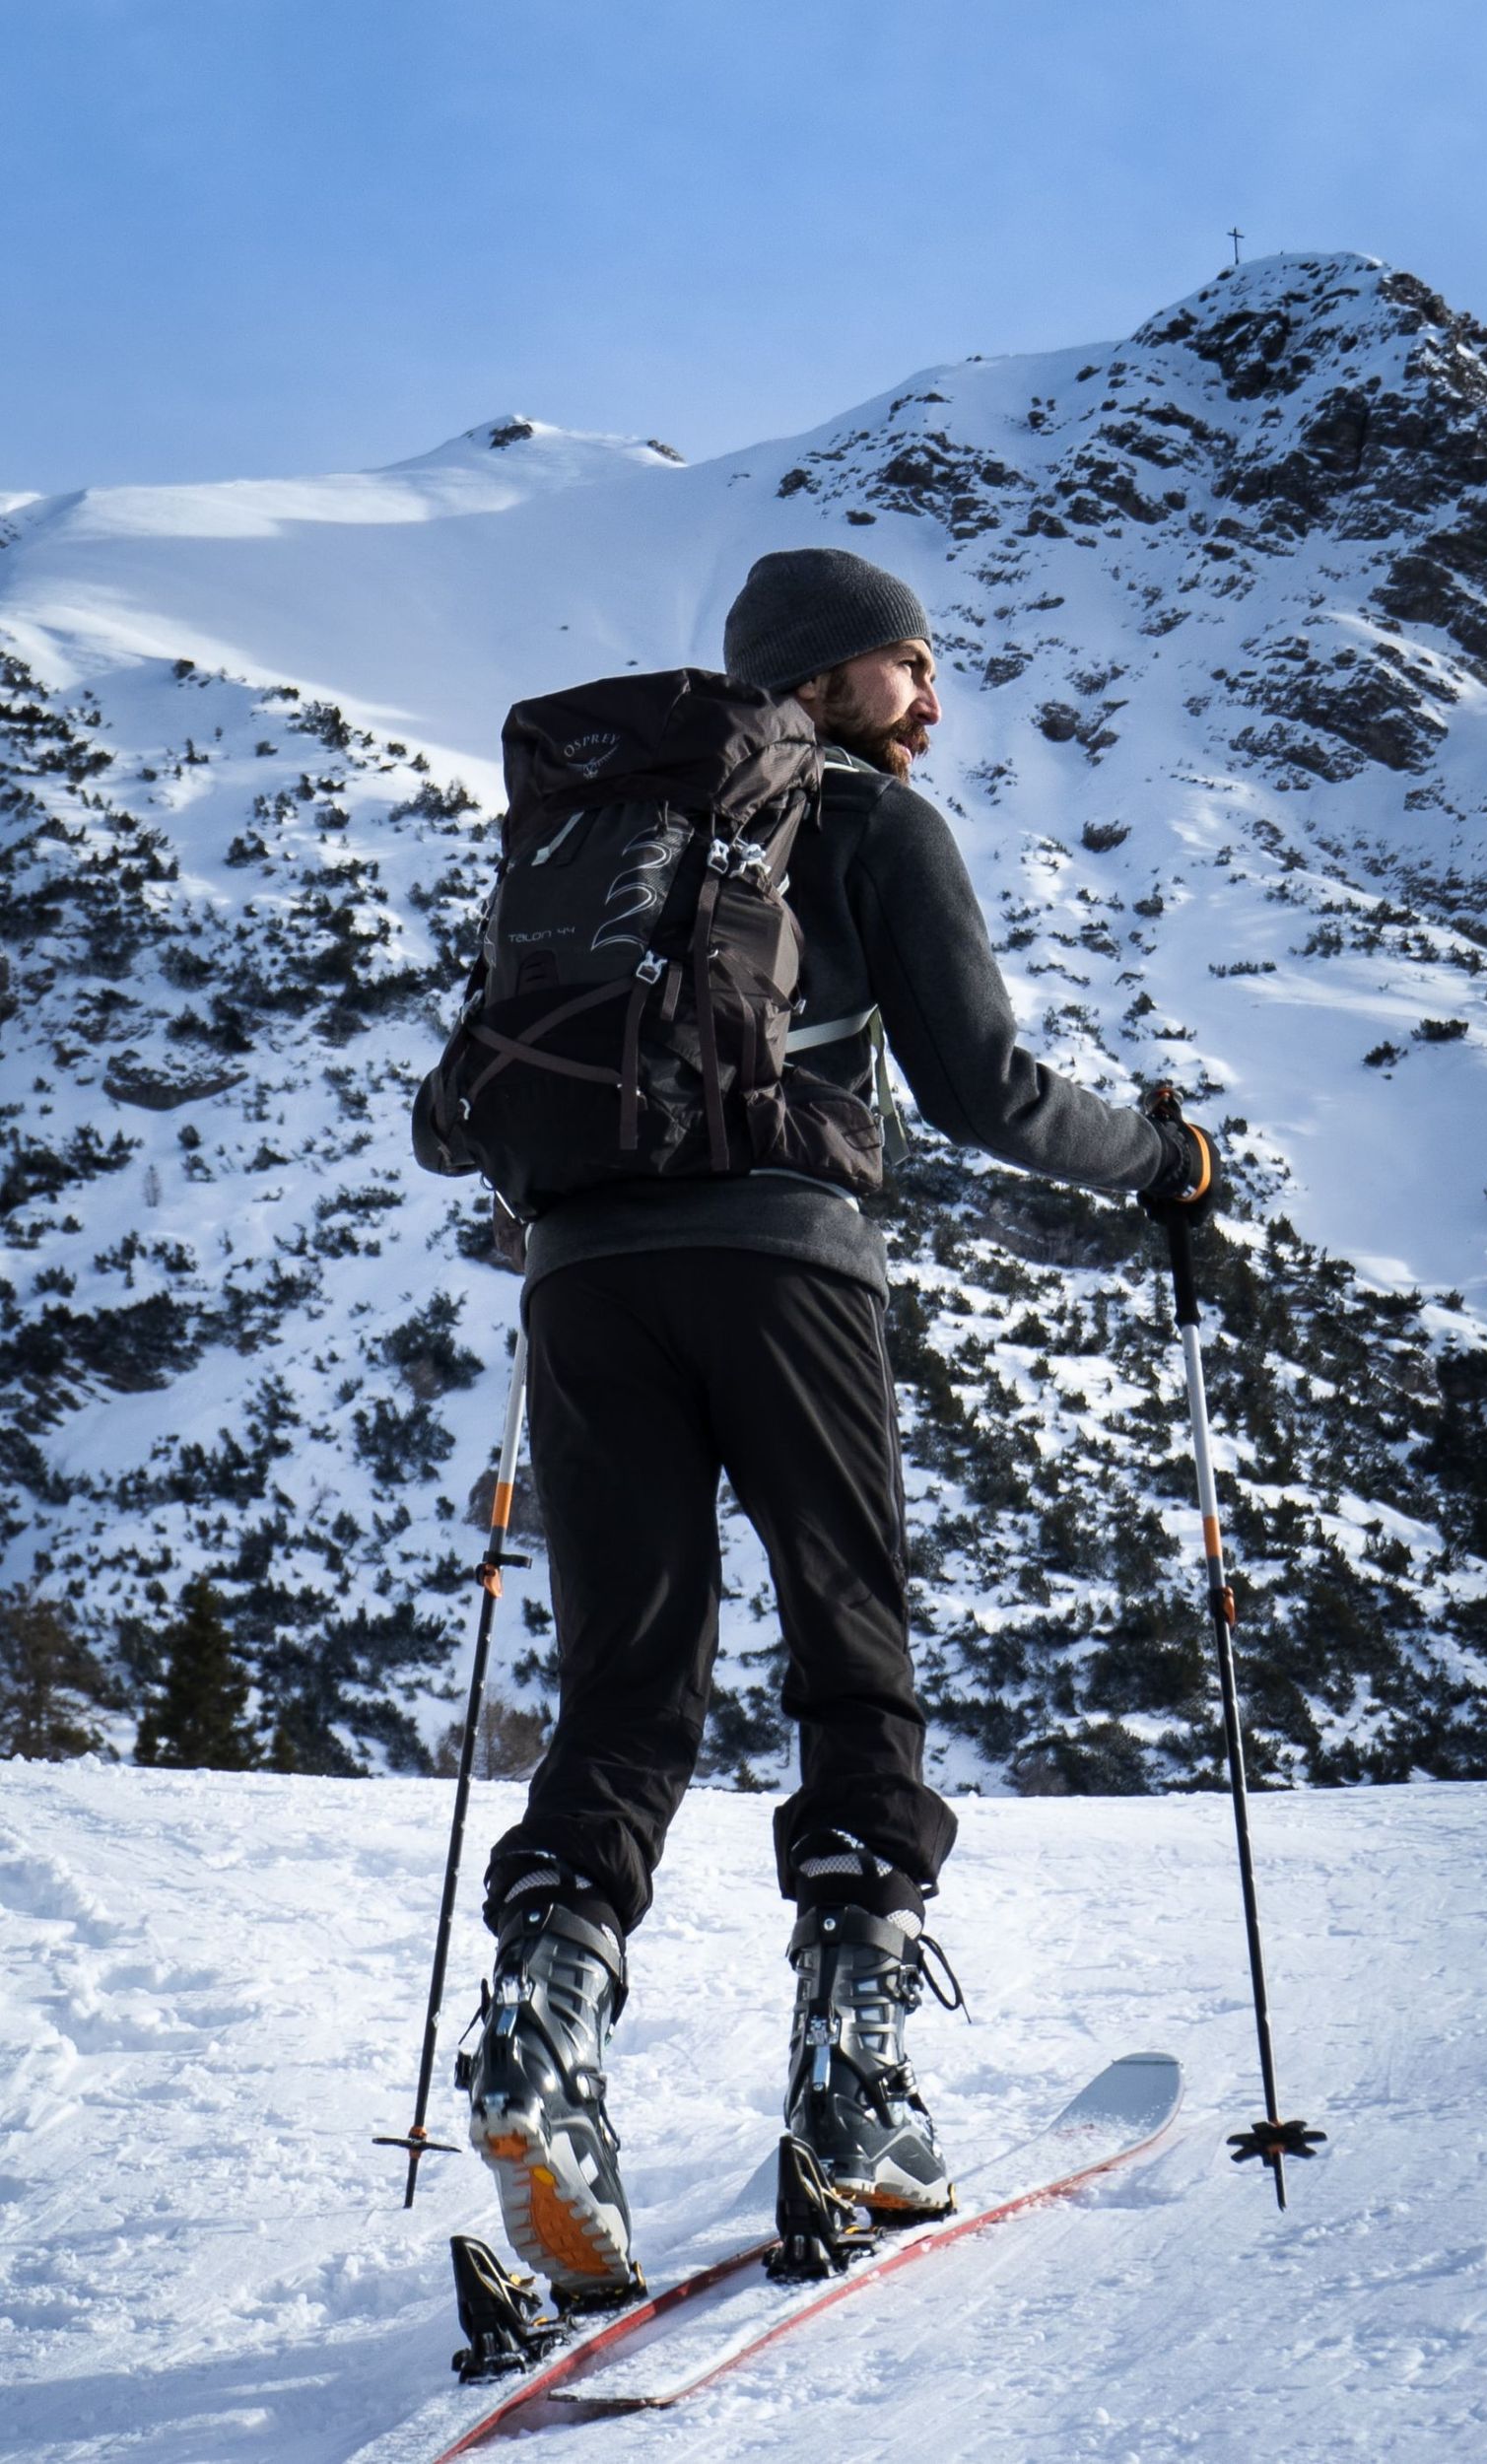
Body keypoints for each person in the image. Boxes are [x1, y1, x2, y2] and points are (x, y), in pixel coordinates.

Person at [459, 546, 1220, 2294]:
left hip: (579, 1285)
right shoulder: (867, 826)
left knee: (628, 1694)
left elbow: (462, 1115)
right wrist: (1165, 1161)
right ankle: (858, 2088)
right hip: (787, 1271)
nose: (935, 699)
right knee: (850, 1659)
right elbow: (983, 1089)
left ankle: (543, 2037)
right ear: (826, 679)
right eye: (910, 663)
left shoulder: (594, 837)